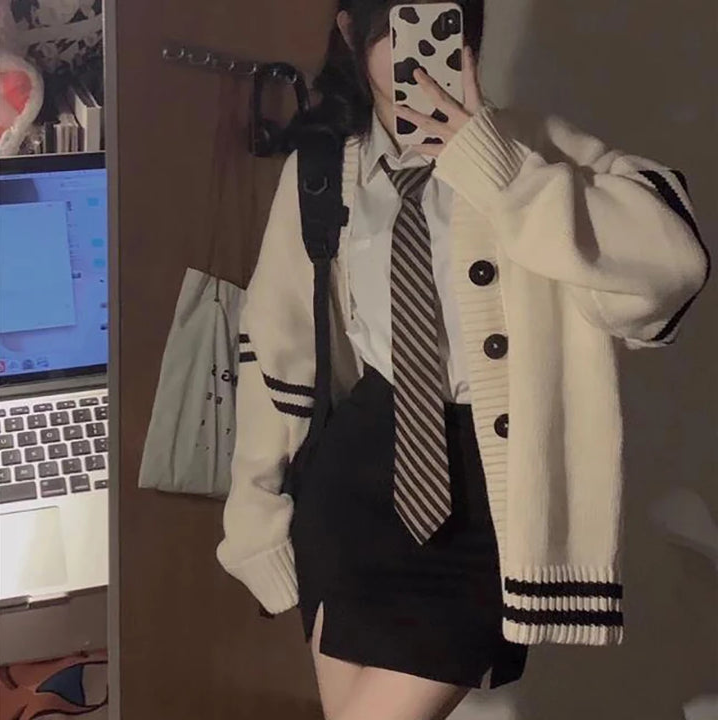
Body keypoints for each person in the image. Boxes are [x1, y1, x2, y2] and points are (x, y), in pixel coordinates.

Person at [217, 1, 711, 719]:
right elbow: (275, 355)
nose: (420, 56)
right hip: (353, 490)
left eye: (446, 25)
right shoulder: (321, 171)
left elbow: (674, 270)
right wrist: (255, 520)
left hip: (488, 500)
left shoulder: (539, 151)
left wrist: (496, 167)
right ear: (352, 33)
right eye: (399, 28)